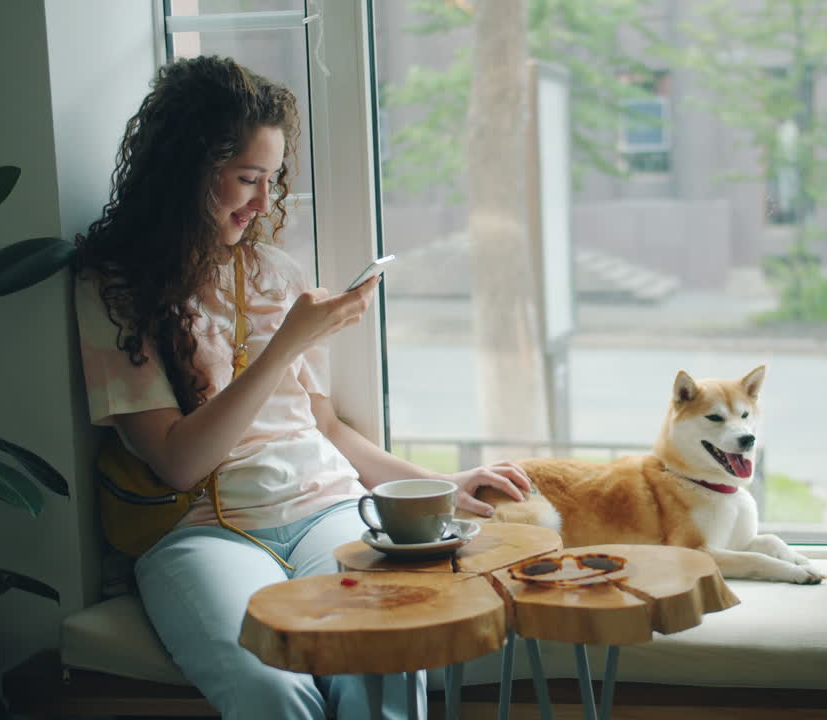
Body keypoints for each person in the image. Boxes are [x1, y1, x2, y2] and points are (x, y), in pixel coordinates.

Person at [73, 55, 531, 720]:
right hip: (203, 533)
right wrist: (287, 340)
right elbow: (177, 460)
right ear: (187, 172)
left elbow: (325, 430)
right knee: (271, 687)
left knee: (388, 665)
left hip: (327, 511)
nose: (263, 202)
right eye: (247, 179)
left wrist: (436, 487)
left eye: (272, 179)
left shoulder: (274, 273)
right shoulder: (115, 287)